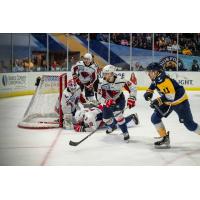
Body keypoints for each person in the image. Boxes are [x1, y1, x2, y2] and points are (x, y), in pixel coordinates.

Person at [143, 62, 200, 149]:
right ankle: (164, 138)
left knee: (190, 125)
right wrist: (149, 92)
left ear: (156, 72)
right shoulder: (158, 78)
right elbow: (154, 84)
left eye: (150, 72)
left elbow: (171, 97)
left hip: (180, 102)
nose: (148, 74)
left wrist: (157, 101)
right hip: (168, 101)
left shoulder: (164, 80)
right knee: (155, 118)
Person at [98, 64, 137, 141]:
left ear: (112, 73)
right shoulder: (101, 83)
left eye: (107, 73)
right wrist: (106, 101)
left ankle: (125, 132)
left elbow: (133, 87)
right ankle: (113, 126)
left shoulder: (121, 80)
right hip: (108, 101)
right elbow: (99, 96)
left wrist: (132, 97)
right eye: (104, 74)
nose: (105, 76)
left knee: (118, 116)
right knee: (106, 120)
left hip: (119, 100)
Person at [73, 105, 139, 132]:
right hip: (105, 111)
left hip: (106, 115)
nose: (79, 121)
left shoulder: (88, 117)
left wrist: (82, 129)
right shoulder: (85, 111)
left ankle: (132, 117)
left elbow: (93, 128)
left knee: (116, 124)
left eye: (79, 120)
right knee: (115, 121)